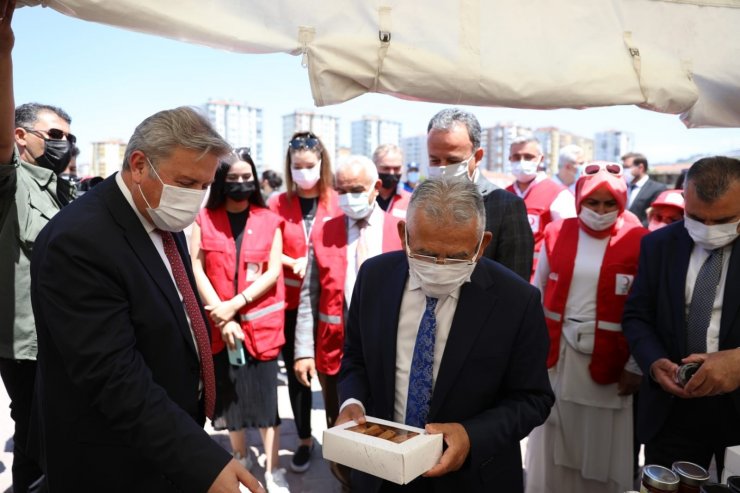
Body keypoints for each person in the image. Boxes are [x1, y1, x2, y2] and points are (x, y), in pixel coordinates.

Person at [30, 105, 265, 493]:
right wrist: (201, 461)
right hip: (112, 458)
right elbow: (114, 377)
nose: (194, 198)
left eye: (204, 186)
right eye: (186, 182)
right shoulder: (80, 240)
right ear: (139, 165)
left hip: (163, 440)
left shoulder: (161, 215)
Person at [337, 178, 554, 492]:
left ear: (482, 244)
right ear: (403, 235)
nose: (439, 267)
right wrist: (352, 401)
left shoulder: (517, 301)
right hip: (379, 472)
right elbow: (356, 357)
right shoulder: (374, 278)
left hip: (471, 478)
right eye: (425, 254)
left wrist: (471, 435)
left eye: (455, 258)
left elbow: (534, 399)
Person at [526, 161, 647, 493]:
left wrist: (635, 365)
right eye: (593, 202)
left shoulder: (638, 238)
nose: (600, 210)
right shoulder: (556, 232)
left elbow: (644, 308)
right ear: (579, 199)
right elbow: (537, 294)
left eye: (610, 203)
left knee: (601, 442)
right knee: (553, 433)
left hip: (610, 359)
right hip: (559, 357)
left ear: (622, 203)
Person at [623, 156, 740, 479]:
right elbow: (637, 316)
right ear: (684, 198)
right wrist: (653, 360)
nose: (708, 230)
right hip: (673, 407)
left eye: (724, 220)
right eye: (696, 218)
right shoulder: (658, 245)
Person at [294, 155, 402, 490]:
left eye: (356, 189)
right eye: (341, 189)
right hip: (334, 353)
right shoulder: (325, 230)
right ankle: (347, 482)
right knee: (342, 427)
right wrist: (302, 350)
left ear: (376, 189)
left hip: (391, 353)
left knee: (387, 429)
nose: (347, 196)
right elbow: (309, 295)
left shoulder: (401, 230)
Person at [0, 6, 73, 490]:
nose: (65, 144)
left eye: (70, 136)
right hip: (25, 344)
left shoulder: (63, 189)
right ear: (20, 137)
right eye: (55, 135)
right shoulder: (12, 179)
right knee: (35, 437)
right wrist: (4, 48)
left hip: (62, 335)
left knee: (51, 438)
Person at [191, 149, 289, 492]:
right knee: (231, 402)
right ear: (220, 181)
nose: (241, 184)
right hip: (222, 330)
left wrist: (235, 304)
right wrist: (221, 313)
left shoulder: (268, 219)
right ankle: (240, 456)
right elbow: (196, 267)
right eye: (233, 178)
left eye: (247, 177)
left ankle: (274, 469)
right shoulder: (205, 219)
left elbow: (274, 270)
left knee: (265, 404)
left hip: (260, 328)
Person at [267, 130, 339, 473]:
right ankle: (304, 440)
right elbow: (266, 248)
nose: (303, 172)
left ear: (321, 164)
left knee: (332, 374)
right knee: (299, 374)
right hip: (290, 303)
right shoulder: (278, 203)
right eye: (297, 166)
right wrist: (288, 261)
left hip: (330, 305)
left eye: (309, 165)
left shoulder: (336, 201)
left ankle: (339, 436)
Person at [426, 108, 534, 280]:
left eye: (453, 160)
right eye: (435, 160)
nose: (443, 167)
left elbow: (516, 285)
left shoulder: (506, 207)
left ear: (477, 156)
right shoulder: (421, 201)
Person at [506, 136, 577, 279]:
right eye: (516, 157)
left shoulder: (559, 194)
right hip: (508, 274)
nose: (522, 161)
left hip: (541, 277)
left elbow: (570, 240)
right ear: (509, 159)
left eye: (528, 156)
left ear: (540, 159)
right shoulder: (504, 194)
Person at [621, 152, 667, 227]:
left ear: (640, 167)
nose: (624, 170)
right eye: (623, 167)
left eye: (627, 167)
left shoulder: (657, 189)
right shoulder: (623, 186)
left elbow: (654, 217)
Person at [372, 143, 411, 218]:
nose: (391, 173)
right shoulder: (364, 198)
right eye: (386, 168)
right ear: (374, 167)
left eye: (396, 168)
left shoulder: (412, 201)